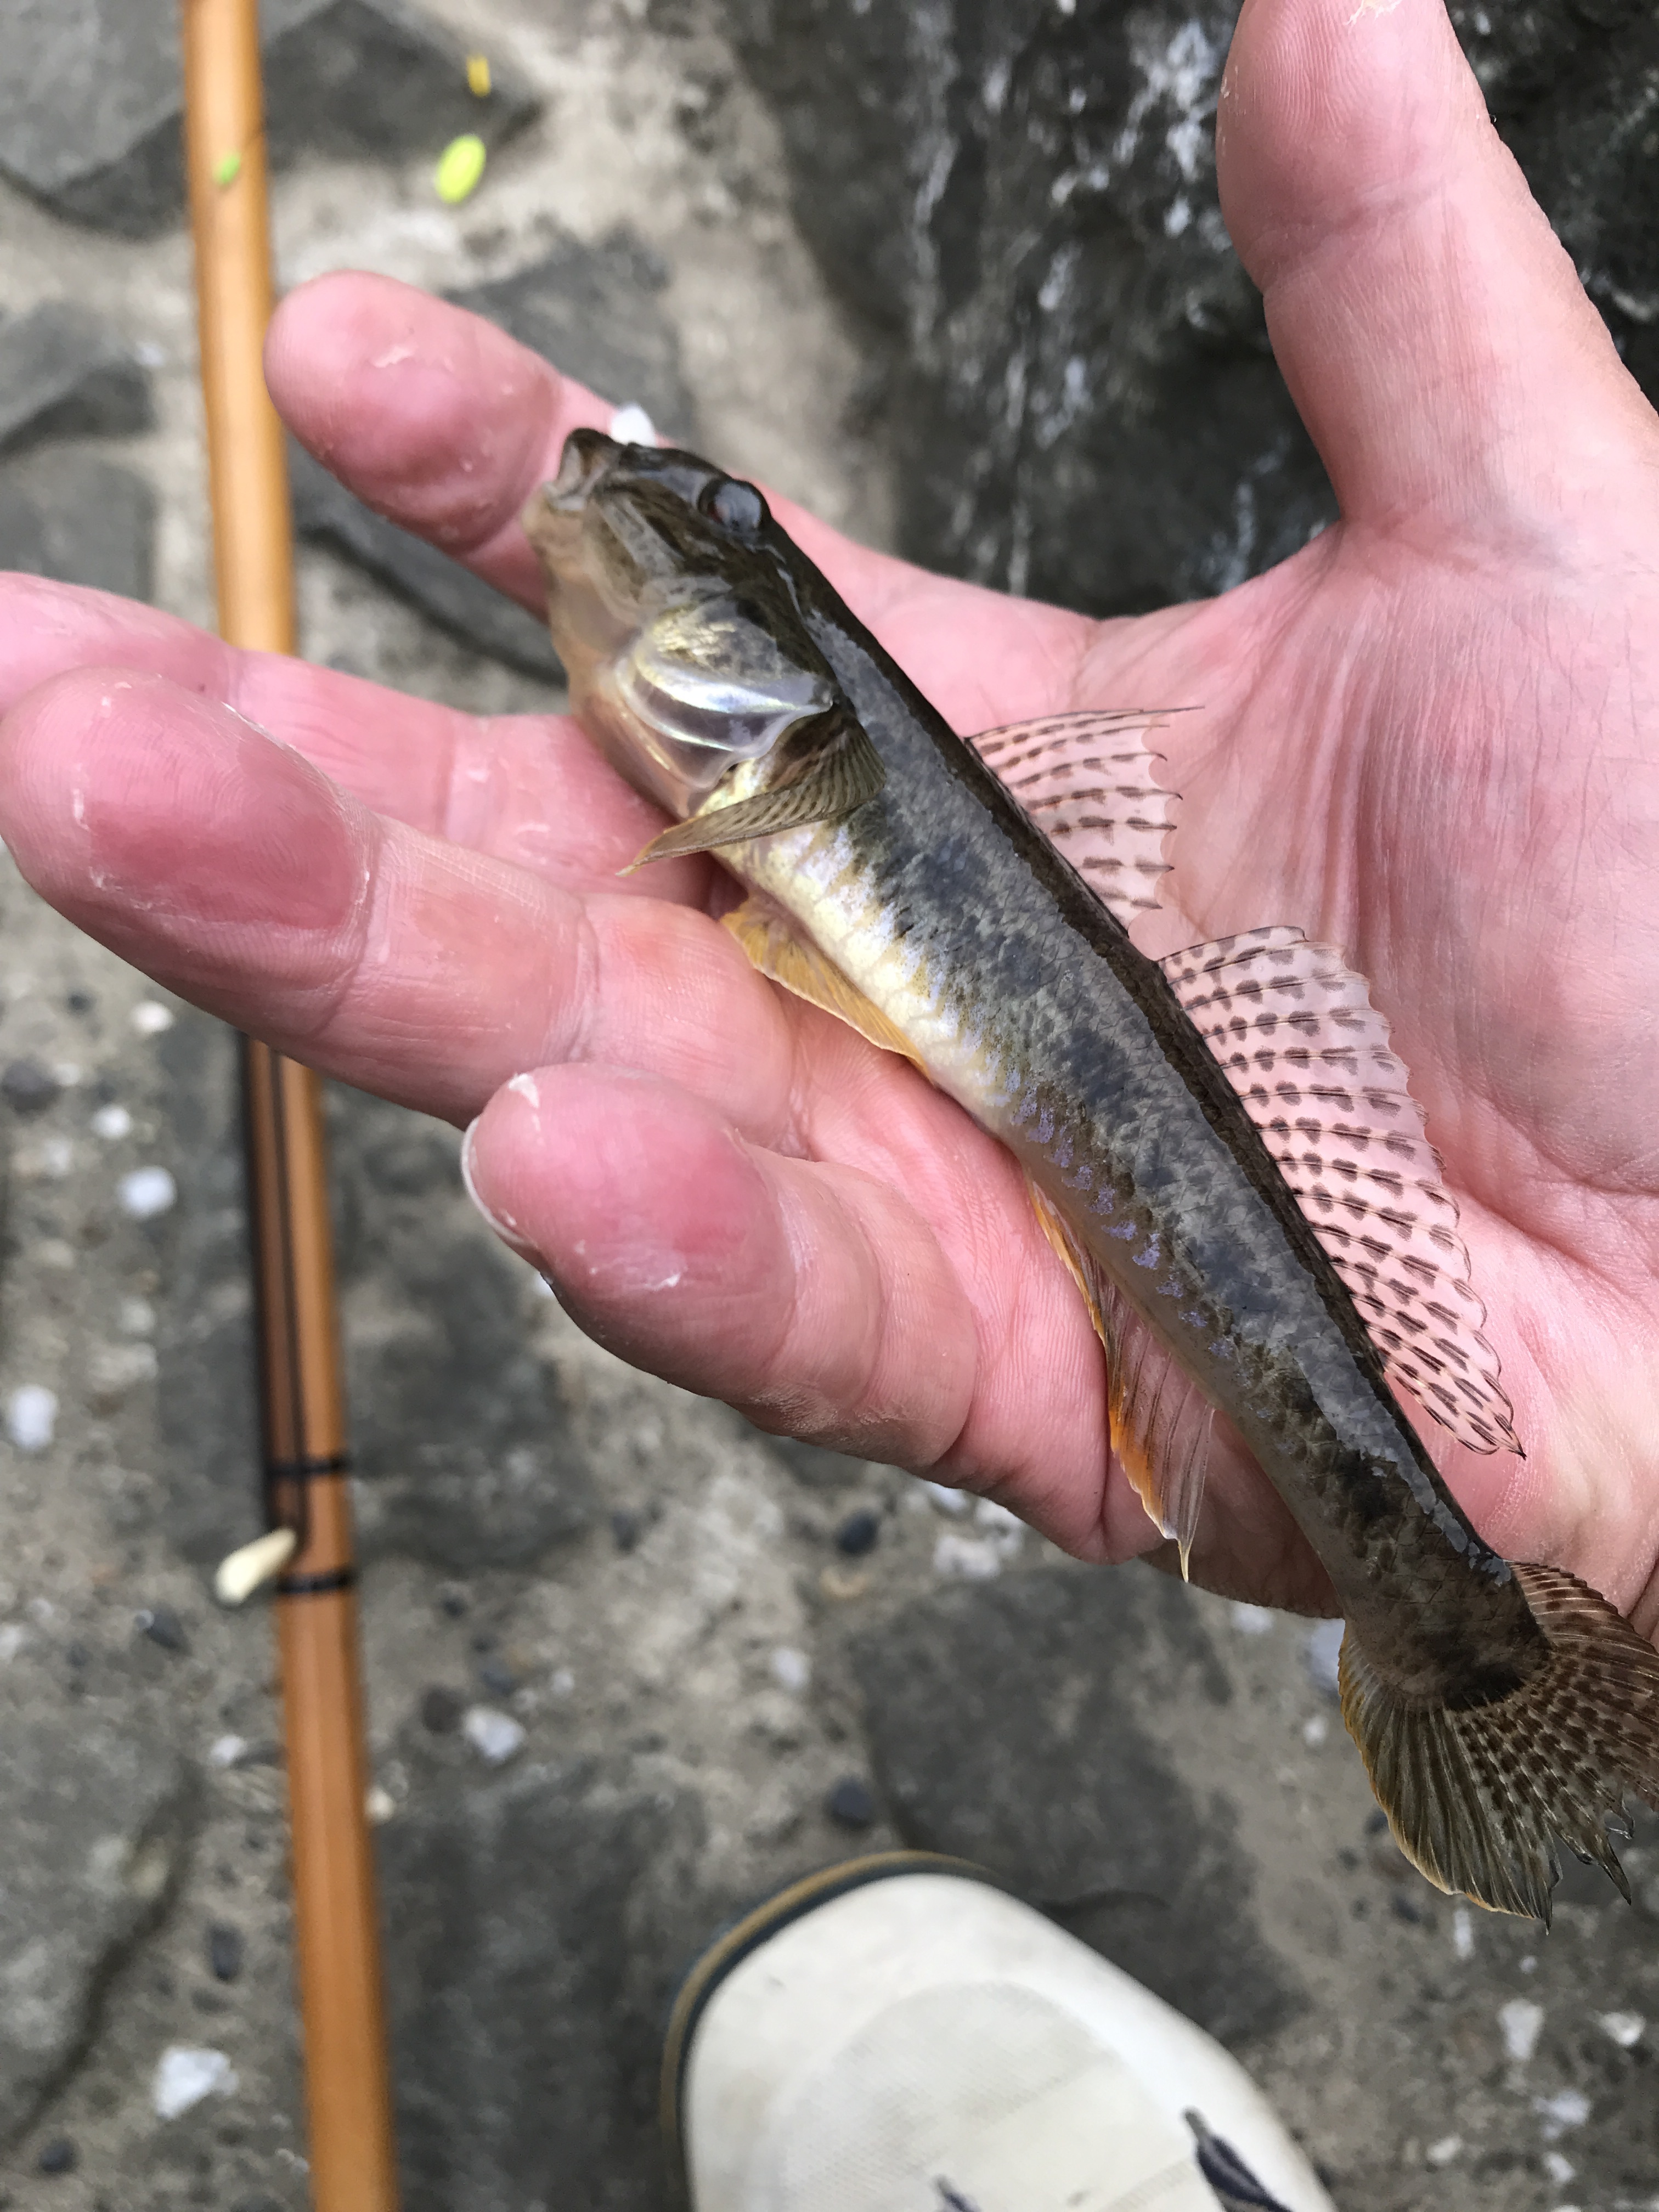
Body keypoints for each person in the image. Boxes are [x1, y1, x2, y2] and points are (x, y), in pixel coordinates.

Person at [1, 0, 1649, 2198]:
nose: (615, 516)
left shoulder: (779, 776)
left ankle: (1457, 1635)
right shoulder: (766, 766)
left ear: (773, 690)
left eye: (710, 552)